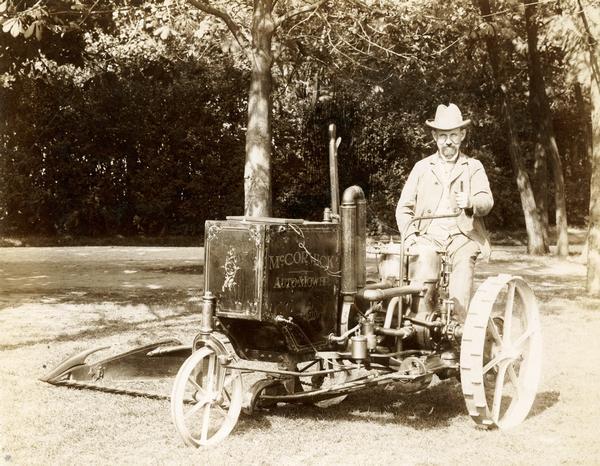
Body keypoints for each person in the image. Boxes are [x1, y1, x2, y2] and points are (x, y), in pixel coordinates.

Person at [395, 103, 493, 322]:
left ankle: (458, 329)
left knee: (462, 269)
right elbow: (404, 208)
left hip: (462, 237)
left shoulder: (473, 166)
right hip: (428, 237)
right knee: (419, 278)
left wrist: (470, 202)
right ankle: (419, 328)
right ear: (434, 136)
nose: (448, 141)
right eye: (443, 135)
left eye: (453, 135)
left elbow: (487, 201)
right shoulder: (422, 167)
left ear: (463, 134)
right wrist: (410, 236)